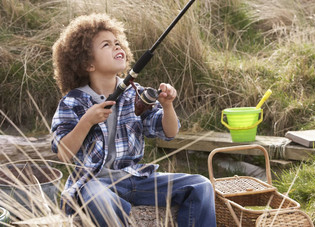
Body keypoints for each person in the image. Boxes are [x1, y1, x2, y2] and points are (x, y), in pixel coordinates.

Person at [51, 13, 216, 227]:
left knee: (201, 185)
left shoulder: (135, 93)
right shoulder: (72, 102)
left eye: (117, 42)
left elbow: (169, 132)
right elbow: (63, 153)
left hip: (136, 179)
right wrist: (87, 121)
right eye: (106, 45)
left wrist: (167, 106)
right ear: (88, 64)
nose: (117, 47)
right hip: (94, 183)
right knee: (98, 198)